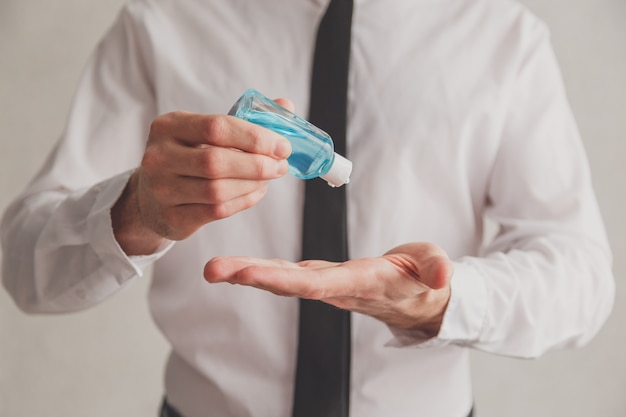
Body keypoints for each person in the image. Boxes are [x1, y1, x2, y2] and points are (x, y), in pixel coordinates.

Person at [1, 0, 615, 416]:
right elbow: (25, 266)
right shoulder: (166, 18)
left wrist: (443, 301)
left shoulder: (500, 34)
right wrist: (134, 210)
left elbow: (581, 277)